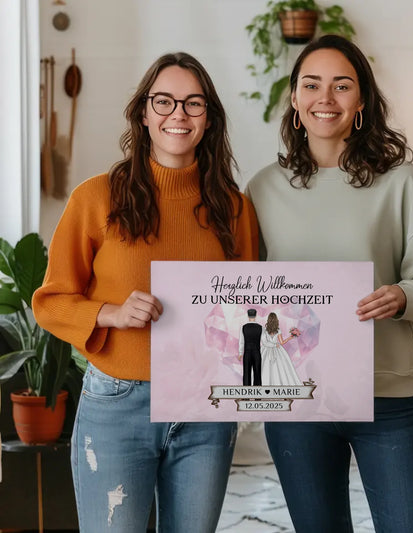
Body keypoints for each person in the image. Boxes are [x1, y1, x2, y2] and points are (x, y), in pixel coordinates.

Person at [33, 52, 258, 533]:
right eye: (164, 101)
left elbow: (249, 309)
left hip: (205, 407)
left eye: (193, 103)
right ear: (143, 113)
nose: (179, 113)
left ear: (209, 118)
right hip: (118, 403)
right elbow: (50, 302)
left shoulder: (235, 209)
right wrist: (110, 313)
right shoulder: (96, 197)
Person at [245, 35, 413, 533]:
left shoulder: (400, 181)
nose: (326, 98)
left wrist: (403, 296)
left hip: (386, 400)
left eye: (342, 85)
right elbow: (242, 290)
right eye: (311, 85)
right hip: (297, 401)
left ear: (361, 101)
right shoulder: (262, 189)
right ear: (295, 99)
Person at [260, 312, 301, 386]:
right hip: (277, 348)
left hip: (265, 350)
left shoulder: (264, 330)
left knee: (264, 367)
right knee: (280, 368)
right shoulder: (278, 330)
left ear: (268, 320)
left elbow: (264, 342)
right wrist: (290, 337)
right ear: (276, 320)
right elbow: (282, 342)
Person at [238, 308, 263, 385]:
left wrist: (240, 353)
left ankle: (246, 391)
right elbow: (264, 341)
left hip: (247, 352)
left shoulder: (243, 327)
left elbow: (241, 342)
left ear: (248, 316)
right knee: (257, 373)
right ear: (255, 316)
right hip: (257, 352)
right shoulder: (261, 327)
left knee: (246, 373)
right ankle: (257, 392)